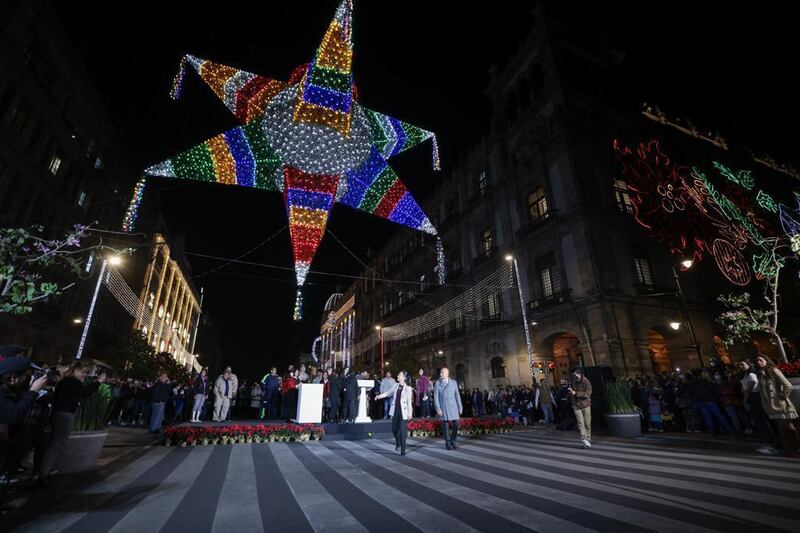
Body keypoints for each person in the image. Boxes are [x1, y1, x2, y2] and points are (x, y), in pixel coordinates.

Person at [39, 361, 105, 486]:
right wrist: (99, 382)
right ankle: (43, 475)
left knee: (57, 445)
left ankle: (46, 472)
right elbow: (86, 392)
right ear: (75, 370)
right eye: (83, 372)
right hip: (63, 415)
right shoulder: (71, 381)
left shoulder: (67, 381)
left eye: (86, 373)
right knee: (55, 445)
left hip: (62, 414)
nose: (83, 375)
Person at [755, 355, 800, 457]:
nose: (758, 362)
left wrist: (781, 397)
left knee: (788, 428)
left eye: (760, 360)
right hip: (770, 406)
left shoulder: (774, 370)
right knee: (781, 429)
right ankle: (789, 449)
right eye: (757, 361)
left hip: (780, 405)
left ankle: (796, 449)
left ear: (766, 360)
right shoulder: (761, 374)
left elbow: (788, 385)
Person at [737, 360, 778, 454]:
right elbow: (744, 388)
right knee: (758, 421)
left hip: (754, 397)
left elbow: (750, 388)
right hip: (750, 397)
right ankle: (768, 441)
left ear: (749, 364)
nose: (740, 366)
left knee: (760, 421)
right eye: (739, 364)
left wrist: (745, 400)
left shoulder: (751, 374)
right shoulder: (745, 374)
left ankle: (770, 442)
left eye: (742, 364)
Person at [375, 370, 415, 455]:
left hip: (404, 412)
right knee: (394, 429)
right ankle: (398, 442)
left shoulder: (408, 388)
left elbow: (409, 402)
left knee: (403, 431)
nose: (397, 376)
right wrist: (379, 396)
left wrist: (410, 414)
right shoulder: (395, 385)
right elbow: (388, 393)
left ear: (404, 377)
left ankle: (403, 450)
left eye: (399, 375)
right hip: (395, 411)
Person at [434, 367, 462, 450]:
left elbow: (457, 395)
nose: (441, 374)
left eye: (443, 372)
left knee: (456, 424)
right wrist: (438, 409)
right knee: (445, 426)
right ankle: (447, 442)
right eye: (440, 372)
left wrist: (460, 407)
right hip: (444, 407)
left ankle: (453, 440)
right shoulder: (437, 383)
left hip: (453, 407)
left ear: (447, 374)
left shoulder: (453, 382)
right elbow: (436, 397)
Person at [568, 367, 592, 448]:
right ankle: (584, 439)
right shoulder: (574, 382)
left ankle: (588, 439)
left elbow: (588, 394)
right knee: (581, 423)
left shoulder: (586, 381)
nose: (574, 377)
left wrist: (576, 393)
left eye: (575, 375)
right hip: (576, 405)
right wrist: (571, 393)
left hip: (585, 405)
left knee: (587, 424)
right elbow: (573, 393)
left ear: (579, 374)